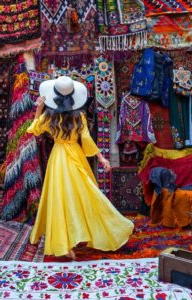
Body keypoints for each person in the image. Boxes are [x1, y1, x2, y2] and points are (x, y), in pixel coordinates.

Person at [27, 76, 134, 259]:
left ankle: (65, 243)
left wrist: (39, 108)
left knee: (60, 199)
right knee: (85, 195)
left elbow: (34, 129)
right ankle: (101, 230)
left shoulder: (48, 116)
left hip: (58, 158)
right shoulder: (80, 116)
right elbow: (87, 140)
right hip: (75, 156)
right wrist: (102, 159)